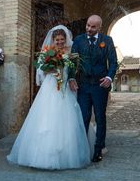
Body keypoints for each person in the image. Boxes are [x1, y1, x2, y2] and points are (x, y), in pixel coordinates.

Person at [8, 26, 93, 169]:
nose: (59, 42)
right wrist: (53, 68)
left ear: (65, 39)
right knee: (48, 116)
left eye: (62, 39)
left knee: (67, 117)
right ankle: (42, 154)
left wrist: (70, 77)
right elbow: (41, 71)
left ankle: (66, 152)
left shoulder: (70, 52)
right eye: (57, 39)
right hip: (50, 86)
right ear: (53, 40)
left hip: (65, 87)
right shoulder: (48, 52)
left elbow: (73, 69)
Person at [69, 15, 118, 162]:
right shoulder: (78, 40)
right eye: (88, 25)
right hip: (83, 85)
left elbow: (113, 62)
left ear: (99, 28)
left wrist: (109, 78)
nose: (89, 29)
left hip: (100, 86)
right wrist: (71, 78)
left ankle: (98, 149)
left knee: (100, 117)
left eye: (93, 27)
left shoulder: (107, 41)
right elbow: (72, 61)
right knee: (83, 116)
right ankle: (82, 148)